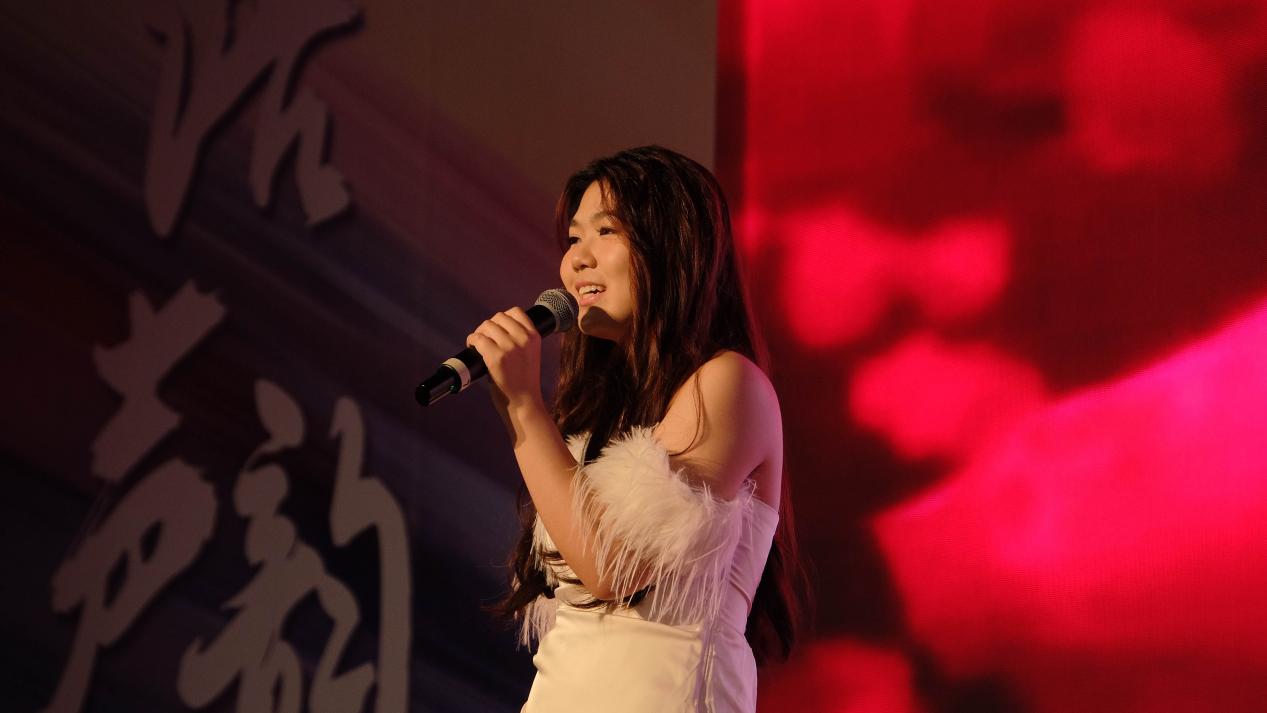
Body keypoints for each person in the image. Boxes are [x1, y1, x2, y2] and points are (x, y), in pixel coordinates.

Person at [465, 146, 803, 712]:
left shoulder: (732, 384)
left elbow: (612, 565)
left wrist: (524, 407)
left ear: (673, 246)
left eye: (606, 232)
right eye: (573, 238)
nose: (577, 259)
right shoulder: (603, 419)